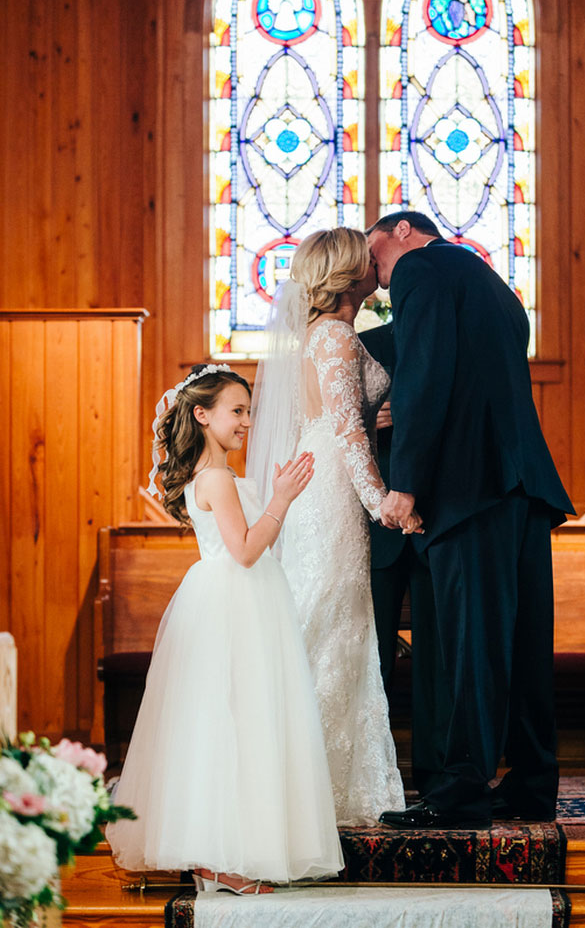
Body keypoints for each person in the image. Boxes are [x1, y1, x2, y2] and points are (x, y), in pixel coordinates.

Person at [366, 212, 574, 829]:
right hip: (522, 488)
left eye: (376, 255)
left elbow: (427, 370)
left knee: (469, 648)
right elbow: (463, 369)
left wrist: (404, 481)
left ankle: (459, 794)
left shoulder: (421, 267)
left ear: (402, 230)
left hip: (468, 489)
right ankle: (533, 785)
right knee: (525, 646)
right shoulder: (493, 287)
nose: (377, 279)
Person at [106, 364, 343, 893]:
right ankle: (222, 861)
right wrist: (282, 498)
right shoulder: (215, 478)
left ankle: (222, 854)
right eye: (236, 411)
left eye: (248, 411)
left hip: (240, 601)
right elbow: (244, 551)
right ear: (202, 414)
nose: (246, 422)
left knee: (229, 724)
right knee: (235, 723)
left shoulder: (216, 476)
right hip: (234, 600)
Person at [248, 228, 411, 825]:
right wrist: (382, 502)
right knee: (327, 623)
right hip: (336, 493)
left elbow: (345, 415)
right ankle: (302, 793)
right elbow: (345, 431)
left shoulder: (323, 336)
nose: (375, 265)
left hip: (324, 485)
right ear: (348, 272)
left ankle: (326, 788)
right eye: (366, 259)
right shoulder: (337, 336)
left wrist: (379, 410)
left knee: (335, 623)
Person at [358, 321, 448, 799]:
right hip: (377, 525)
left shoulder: (446, 339)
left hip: (436, 519)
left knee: (437, 659)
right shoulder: (366, 343)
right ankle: (376, 778)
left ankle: (434, 779)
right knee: (373, 659)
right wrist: (369, 422)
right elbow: (329, 419)